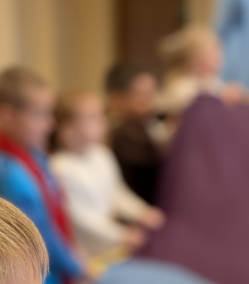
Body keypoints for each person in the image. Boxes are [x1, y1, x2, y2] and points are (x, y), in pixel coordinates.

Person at [0, 67, 86, 284]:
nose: (49, 125)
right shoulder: (8, 173)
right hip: (39, 281)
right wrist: (75, 264)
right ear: (7, 116)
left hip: (53, 273)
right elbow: (40, 235)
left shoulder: (33, 154)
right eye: (40, 115)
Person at [50, 89, 165, 257]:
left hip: (111, 245)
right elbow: (80, 218)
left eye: (101, 115)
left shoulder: (102, 155)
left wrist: (142, 212)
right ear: (68, 130)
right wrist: (122, 234)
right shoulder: (58, 167)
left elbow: (117, 193)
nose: (103, 122)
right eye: (93, 118)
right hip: (82, 251)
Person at [105, 64, 164, 205]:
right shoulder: (122, 134)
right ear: (117, 99)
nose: (149, 100)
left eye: (152, 92)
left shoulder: (149, 125)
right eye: (141, 93)